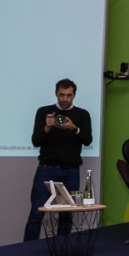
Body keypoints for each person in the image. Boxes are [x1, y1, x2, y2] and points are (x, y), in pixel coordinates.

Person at [24, 79, 92, 242]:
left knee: (66, 215)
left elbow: (87, 140)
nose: (65, 99)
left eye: (68, 95)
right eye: (61, 95)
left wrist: (74, 128)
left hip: (71, 171)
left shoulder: (82, 114)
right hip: (46, 169)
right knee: (36, 213)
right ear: (56, 94)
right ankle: (27, 251)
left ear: (74, 95)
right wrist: (47, 127)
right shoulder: (44, 112)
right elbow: (35, 141)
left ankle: (63, 249)